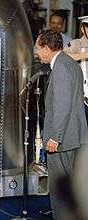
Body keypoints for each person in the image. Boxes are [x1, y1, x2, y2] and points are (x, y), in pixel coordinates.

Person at [35, 30, 88, 220]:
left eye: (38, 48)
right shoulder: (69, 63)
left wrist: (55, 138)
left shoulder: (61, 68)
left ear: (47, 48)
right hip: (73, 136)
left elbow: (62, 106)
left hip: (63, 140)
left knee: (60, 189)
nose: (36, 52)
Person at [64, 16, 88, 124]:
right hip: (81, 95)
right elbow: (61, 57)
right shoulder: (75, 43)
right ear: (82, 29)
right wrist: (85, 54)